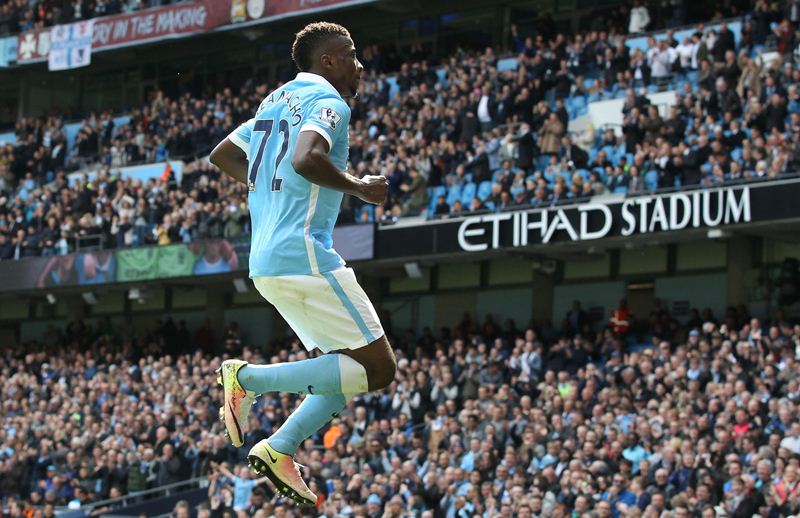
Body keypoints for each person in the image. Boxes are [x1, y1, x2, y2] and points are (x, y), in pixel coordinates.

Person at [209, 22, 396, 506]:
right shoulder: (330, 102)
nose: (359, 64)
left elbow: (223, 154)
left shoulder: (273, 102)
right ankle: (245, 380)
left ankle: (280, 448)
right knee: (378, 369)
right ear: (329, 61)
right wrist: (360, 187)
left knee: (338, 370)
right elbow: (306, 158)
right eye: (352, 54)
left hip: (267, 260)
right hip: (304, 254)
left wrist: (267, 193)